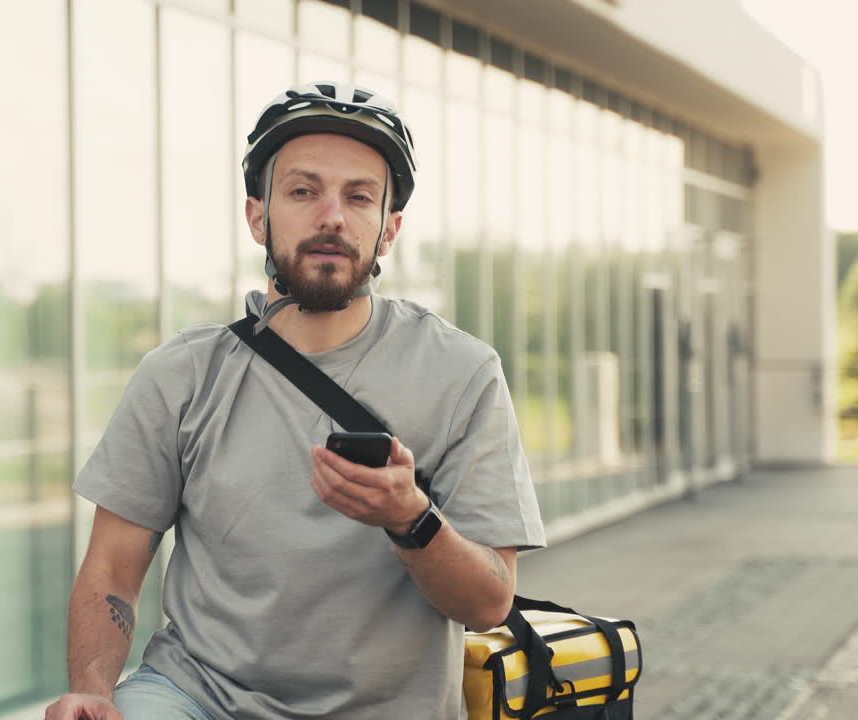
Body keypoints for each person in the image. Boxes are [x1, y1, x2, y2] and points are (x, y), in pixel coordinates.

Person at [46, 81, 546, 720]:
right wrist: (91, 688)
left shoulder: (463, 372)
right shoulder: (182, 373)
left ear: (389, 228)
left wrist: (411, 516)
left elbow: (488, 604)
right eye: (303, 191)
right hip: (195, 696)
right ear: (259, 216)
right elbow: (113, 570)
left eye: (359, 196)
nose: (332, 216)